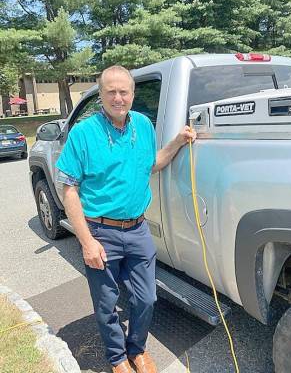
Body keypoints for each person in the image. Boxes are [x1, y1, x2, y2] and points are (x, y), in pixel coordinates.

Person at [56, 66, 197, 373]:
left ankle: (137, 349)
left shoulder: (144, 125)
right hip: (100, 232)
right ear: (101, 95)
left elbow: (152, 163)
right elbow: (69, 190)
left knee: (146, 298)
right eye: (111, 92)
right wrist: (86, 242)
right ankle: (117, 358)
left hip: (138, 230)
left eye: (124, 91)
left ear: (132, 94)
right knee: (107, 304)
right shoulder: (83, 133)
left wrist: (176, 142)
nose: (118, 98)